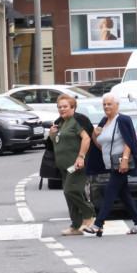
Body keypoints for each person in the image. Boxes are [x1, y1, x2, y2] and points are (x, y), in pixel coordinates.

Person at [83, 93, 137, 236]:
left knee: (110, 193)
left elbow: (128, 141)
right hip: (110, 165)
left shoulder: (122, 120)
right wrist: (94, 135)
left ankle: (98, 225)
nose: (106, 107)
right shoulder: (104, 121)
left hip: (120, 164)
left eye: (109, 104)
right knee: (123, 194)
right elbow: (100, 146)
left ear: (117, 105)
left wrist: (124, 159)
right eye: (104, 104)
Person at [49, 95, 96, 236]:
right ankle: (75, 225)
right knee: (69, 196)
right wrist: (51, 134)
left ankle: (89, 214)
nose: (62, 109)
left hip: (77, 165)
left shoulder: (77, 121)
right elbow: (57, 141)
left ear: (73, 107)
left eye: (65, 106)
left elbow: (86, 137)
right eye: (59, 107)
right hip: (64, 167)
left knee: (70, 191)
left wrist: (81, 157)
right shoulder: (61, 123)